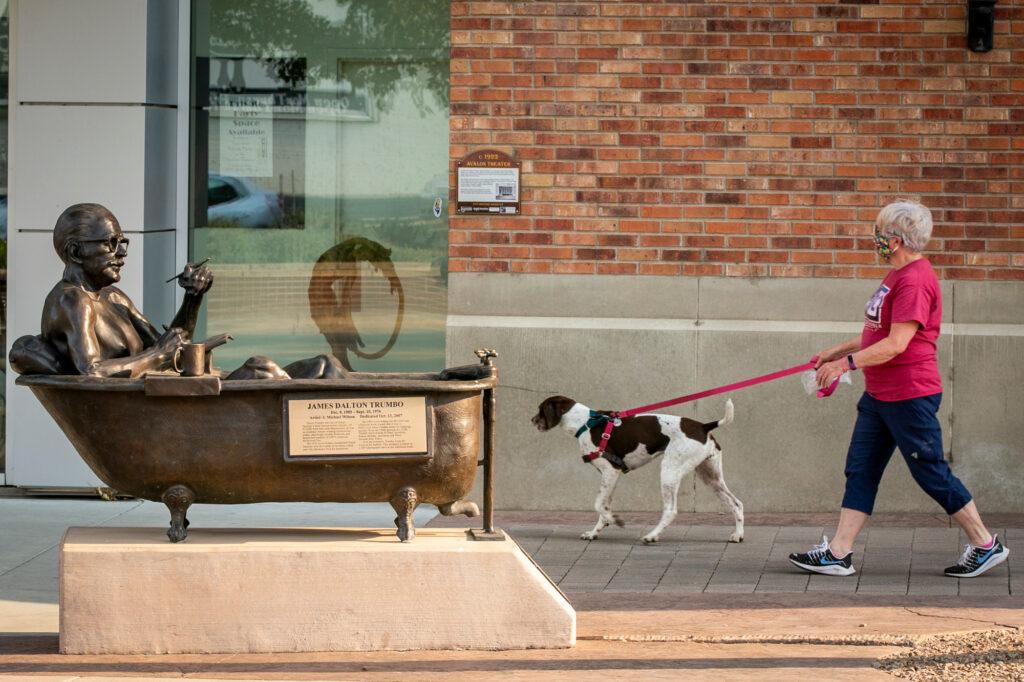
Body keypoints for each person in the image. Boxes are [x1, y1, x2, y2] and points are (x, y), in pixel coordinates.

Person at [789, 201, 1008, 579]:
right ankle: (838, 553)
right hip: (880, 396)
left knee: (930, 472)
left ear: (897, 239)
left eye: (880, 234)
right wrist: (836, 351)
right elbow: (877, 334)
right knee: (861, 469)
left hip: (909, 395)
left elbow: (896, 345)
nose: (875, 240)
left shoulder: (915, 280)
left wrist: (845, 365)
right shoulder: (897, 274)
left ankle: (985, 544)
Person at [10, 203, 345, 380]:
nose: (122, 252)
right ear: (76, 252)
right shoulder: (73, 301)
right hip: (168, 403)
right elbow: (93, 372)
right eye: (112, 244)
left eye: (123, 242)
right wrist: (156, 357)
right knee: (267, 372)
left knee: (323, 365)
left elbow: (172, 343)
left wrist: (193, 296)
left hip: (182, 386)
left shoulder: (113, 298)